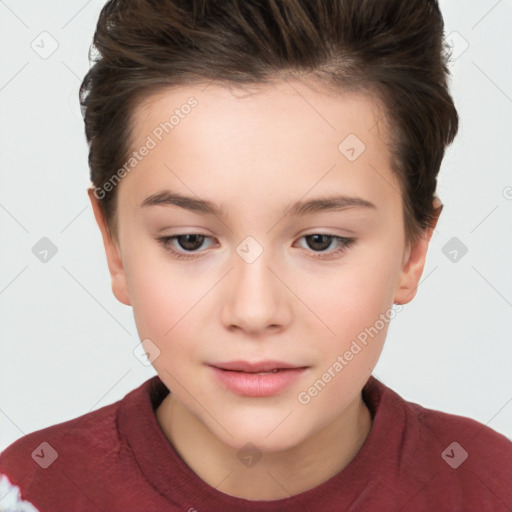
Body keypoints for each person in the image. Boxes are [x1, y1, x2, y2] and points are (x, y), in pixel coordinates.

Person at [1, 0, 510, 510]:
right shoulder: (27, 491)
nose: (254, 311)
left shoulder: (492, 487)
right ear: (114, 246)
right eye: (190, 240)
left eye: (320, 241)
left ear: (413, 250)